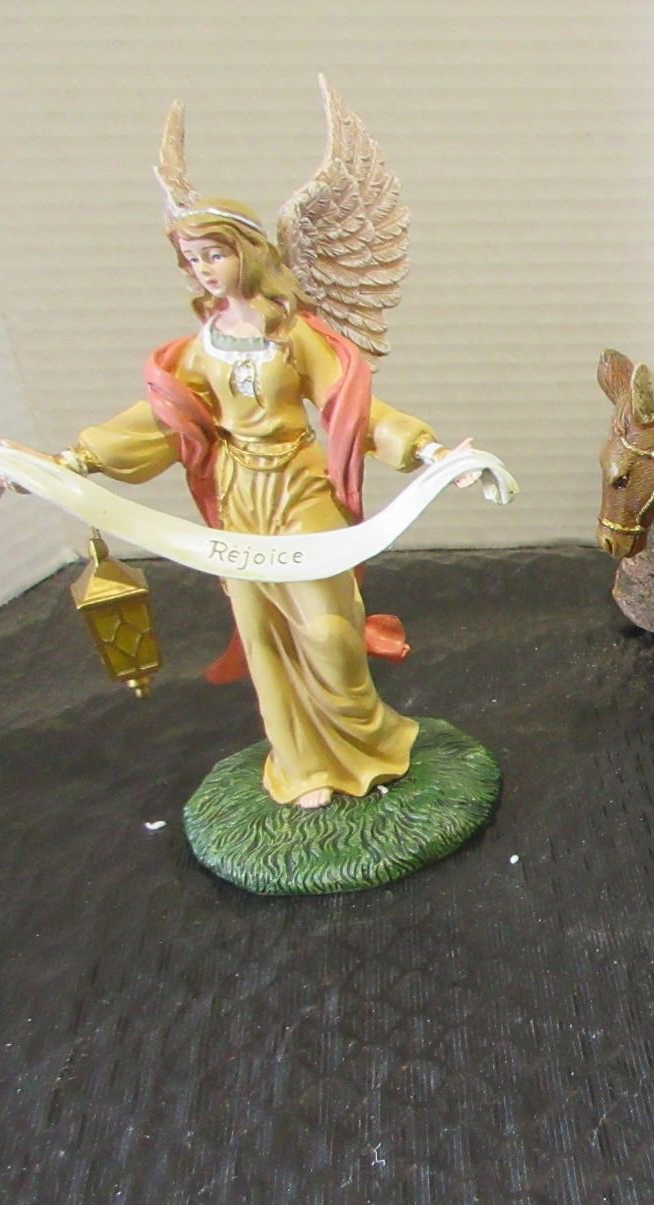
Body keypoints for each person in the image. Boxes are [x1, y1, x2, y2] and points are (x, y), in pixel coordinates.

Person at [41, 198, 469, 808]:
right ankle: (304, 765)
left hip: (299, 489)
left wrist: (428, 451)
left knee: (328, 630)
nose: (204, 269)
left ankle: (368, 743)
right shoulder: (205, 344)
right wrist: (79, 458)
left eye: (214, 254)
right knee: (264, 632)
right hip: (239, 497)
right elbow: (163, 419)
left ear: (248, 252)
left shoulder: (294, 334)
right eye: (193, 259)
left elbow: (353, 409)